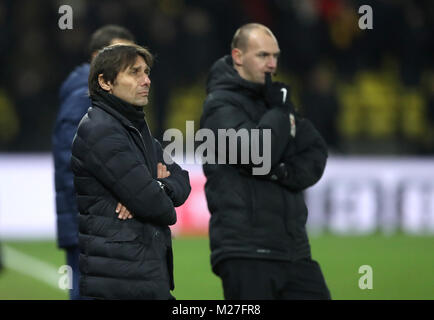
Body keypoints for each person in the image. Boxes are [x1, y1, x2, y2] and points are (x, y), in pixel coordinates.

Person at [200, 23, 331, 299]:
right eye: (262, 56)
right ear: (238, 56)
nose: (272, 64)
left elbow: (315, 153)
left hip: (294, 251)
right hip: (246, 252)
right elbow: (256, 153)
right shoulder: (219, 106)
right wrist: (282, 112)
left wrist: (280, 172)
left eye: (275, 56)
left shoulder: (274, 101)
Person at [70, 44, 191, 299]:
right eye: (134, 72)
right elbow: (159, 207)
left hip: (140, 273)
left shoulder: (134, 126)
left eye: (146, 72)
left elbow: (182, 179)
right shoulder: (100, 130)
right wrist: (153, 191)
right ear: (105, 82)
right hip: (120, 281)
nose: (146, 80)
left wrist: (158, 186)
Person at [52, 25, 135, 300]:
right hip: (89, 222)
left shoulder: (104, 94)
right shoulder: (82, 93)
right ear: (97, 57)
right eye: (119, 55)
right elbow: (70, 158)